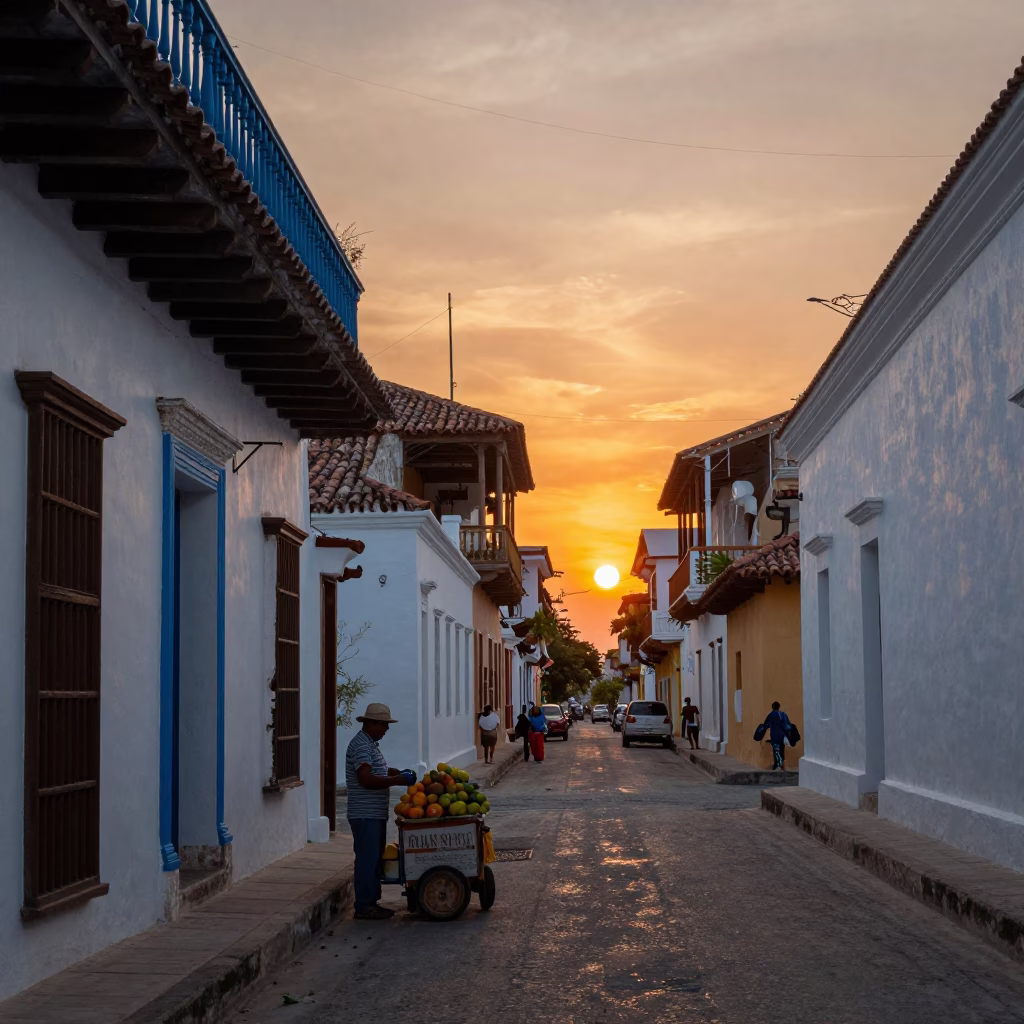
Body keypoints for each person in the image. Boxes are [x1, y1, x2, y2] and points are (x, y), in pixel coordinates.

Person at [345, 703, 416, 920]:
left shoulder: (371, 744)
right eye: (384, 725)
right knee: (367, 859)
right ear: (372, 724)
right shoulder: (362, 746)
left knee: (374, 858)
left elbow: (379, 770)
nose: (386, 730)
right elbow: (366, 778)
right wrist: (397, 780)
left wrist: (399, 772)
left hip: (374, 813)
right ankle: (365, 906)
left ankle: (371, 902)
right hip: (365, 814)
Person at [762, 701, 791, 771]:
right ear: (779, 706)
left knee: (776, 750)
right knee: (782, 750)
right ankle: (781, 765)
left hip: (775, 736)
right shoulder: (783, 714)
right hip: (782, 736)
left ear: (772, 707)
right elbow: (788, 725)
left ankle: (777, 765)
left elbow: (766, 724)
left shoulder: (771, 715)